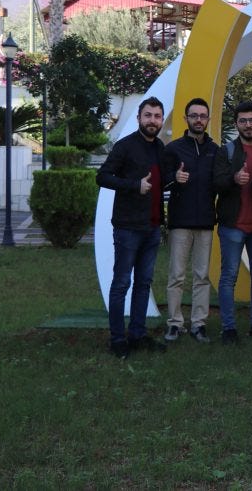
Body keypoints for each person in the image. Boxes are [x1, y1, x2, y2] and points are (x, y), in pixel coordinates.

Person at [96, 96, 168, 358]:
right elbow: (102, 176)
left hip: (152, 227)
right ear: (139, 118)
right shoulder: (125, 146)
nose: (153, 120)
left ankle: (137, 335)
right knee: (121, 284)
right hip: (128, 228)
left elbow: (163, 182)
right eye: (148, 115)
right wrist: (134, 185)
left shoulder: (160, 147)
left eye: (157, 116)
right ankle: (117, 339)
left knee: (144, 283)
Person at [213, 101, 252, 344]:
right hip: (233, 224)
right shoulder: (225, 151)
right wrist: (234, 178)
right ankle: (229, 328)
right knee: (229, 277)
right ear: (236, 124)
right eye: (243, 121)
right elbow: (216, 183)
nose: (248, 125)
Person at [162, 97, 218, 344]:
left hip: (206, 221)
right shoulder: (173, 149)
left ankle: (198, 324)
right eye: (193, 115)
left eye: (202, 116)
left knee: (202, 276)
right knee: (176, 276)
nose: (198, 120)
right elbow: (161, 179)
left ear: (207, 119)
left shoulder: (215, 150)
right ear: (186, 119)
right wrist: (174, 177)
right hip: (180, 222)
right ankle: (174, 324)